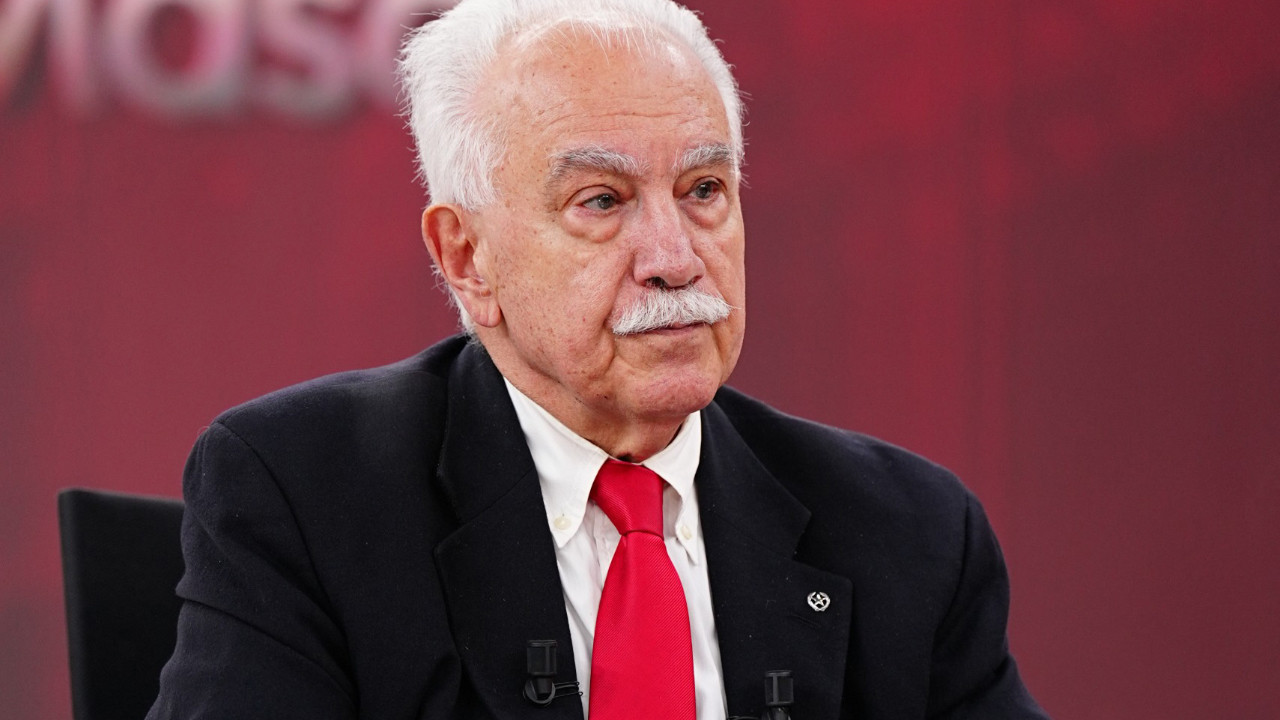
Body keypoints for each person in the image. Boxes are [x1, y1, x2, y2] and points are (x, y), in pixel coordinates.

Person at [147, 0, 1049, 718]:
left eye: (703, 189)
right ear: (467, 257)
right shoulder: (308, 496)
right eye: (602, 201)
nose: (675, 257)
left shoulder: (910, 534)